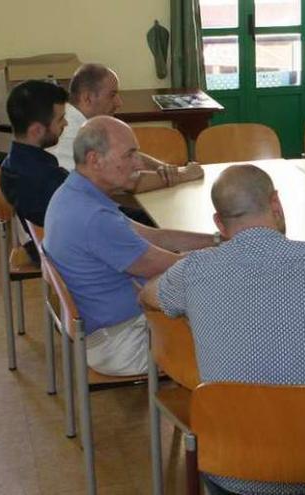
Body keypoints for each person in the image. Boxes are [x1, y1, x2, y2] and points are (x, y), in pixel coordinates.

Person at [140, 164, 305, 495]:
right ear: (277, 204)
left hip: (230, 470)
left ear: (219, 224)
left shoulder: (194, 271)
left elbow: (148, 294)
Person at [44, 116, 217, 376]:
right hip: (121, 344)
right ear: (94, 160)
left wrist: (217, 240)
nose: (138, 163)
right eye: (130, 155)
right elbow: (172, 267)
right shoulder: (94, 218)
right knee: (239, 325)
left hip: (109, 330)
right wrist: (233, 254)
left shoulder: (75, 193)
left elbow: (155, 237)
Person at [48, 63, 202, 188]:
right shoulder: (68, 132)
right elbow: (127, 180)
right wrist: (183, 175)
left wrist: (170, 170)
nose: (119, 103)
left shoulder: (86, 125)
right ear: (87, 98)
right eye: (112, 95)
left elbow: (126, 155)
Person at [0, 80, 69, 262]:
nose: (66, 123)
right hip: (67, 255)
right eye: (60, 119)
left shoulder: (11, 164)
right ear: (37, 130)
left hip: (46, 245)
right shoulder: (45, 178)